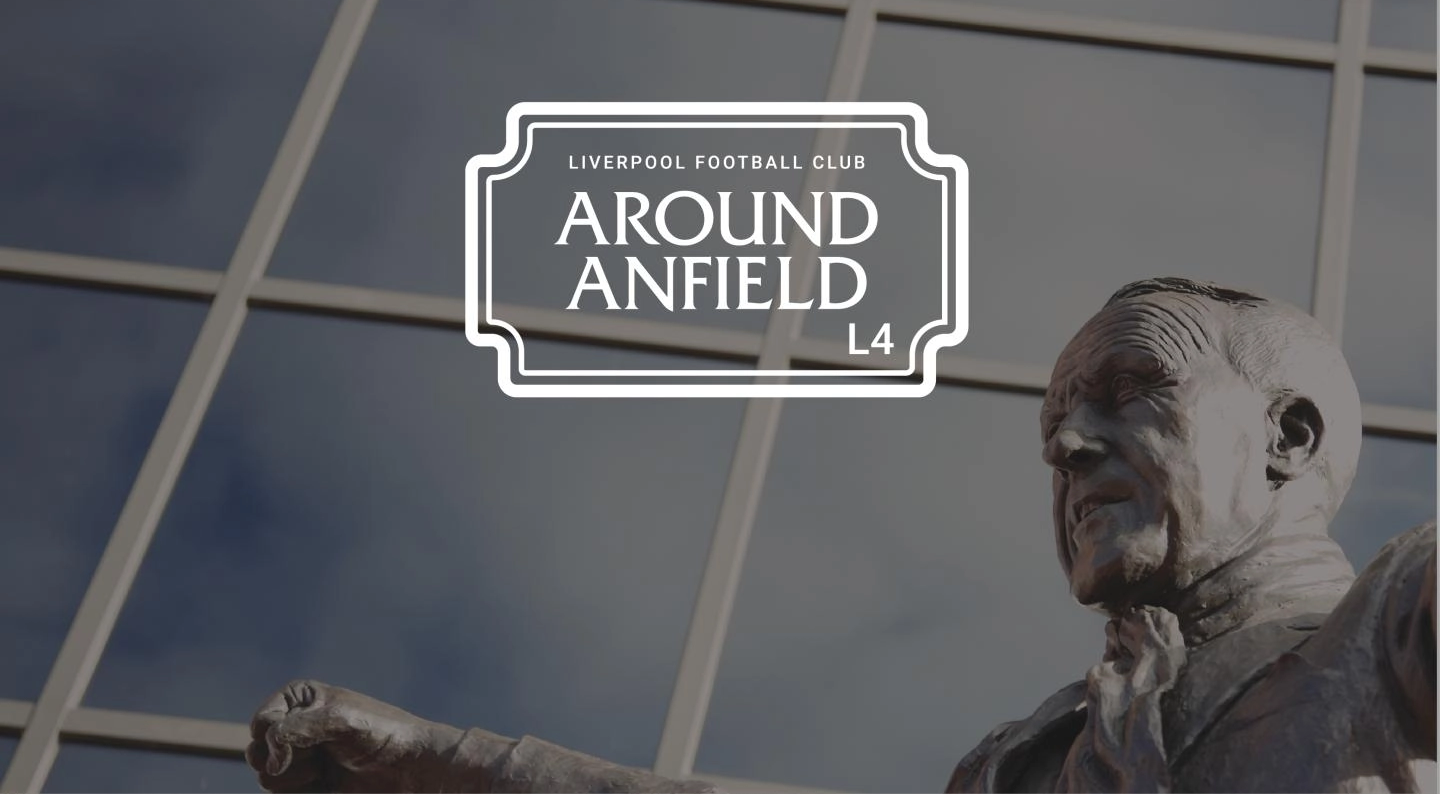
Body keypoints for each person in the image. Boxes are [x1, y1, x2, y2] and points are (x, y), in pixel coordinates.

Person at [247, 277, 1436, 793]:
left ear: (1287, 433)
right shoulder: (1023, 763)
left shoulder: (1397, 626)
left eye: (1129, 391)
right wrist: (450, 769)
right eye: (1053, 424)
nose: (1068, 445)